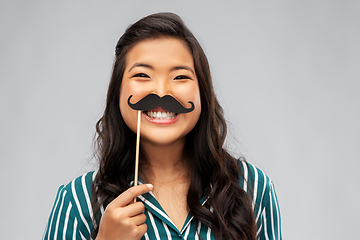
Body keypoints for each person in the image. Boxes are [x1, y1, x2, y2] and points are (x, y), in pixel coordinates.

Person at [42, 12, 282, 240]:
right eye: (142, 76)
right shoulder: (79, 199)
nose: (160, 92)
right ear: (118, 92)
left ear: (203, 94)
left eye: (180, 77)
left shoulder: (252, 187)